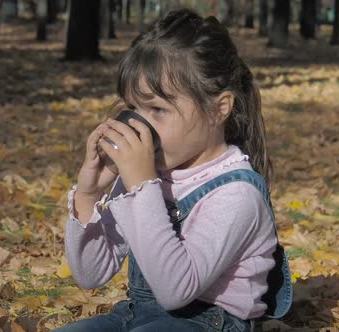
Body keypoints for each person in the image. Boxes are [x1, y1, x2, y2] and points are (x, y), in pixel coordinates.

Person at [55, 8, 292, 332]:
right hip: (137, 315)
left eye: (158, 109)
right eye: (134, 107)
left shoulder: (237, 193)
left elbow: (175, 291)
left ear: (219, 108)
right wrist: (89, 193)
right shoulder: (145, 175)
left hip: (211, 323)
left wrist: (142, 186)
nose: (140, 124)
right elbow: (91, 274)